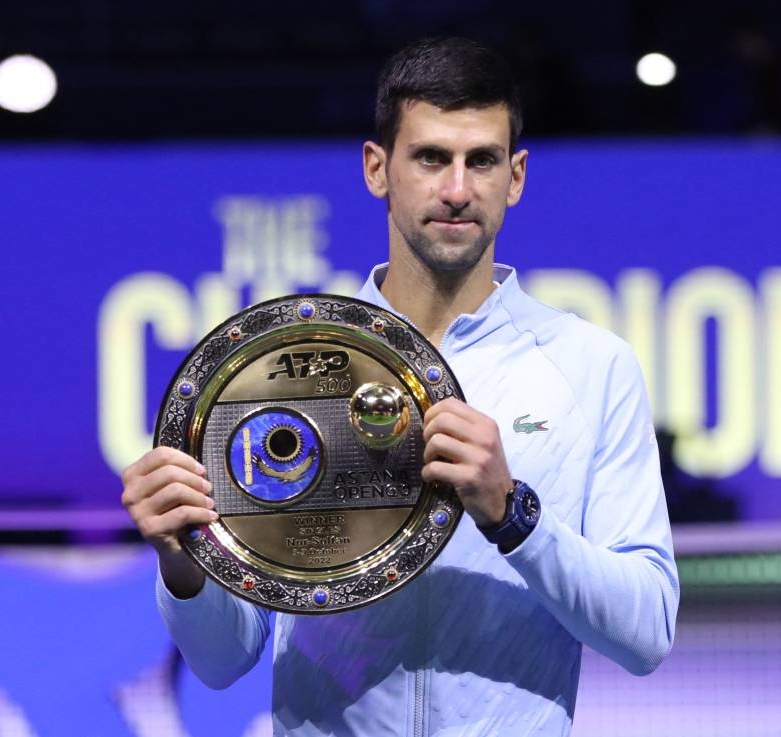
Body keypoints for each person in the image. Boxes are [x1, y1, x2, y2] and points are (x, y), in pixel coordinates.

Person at [121, 36, 679, 736]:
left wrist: (512, 514)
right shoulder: (281, 367)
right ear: (377, 168)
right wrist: (183, 562)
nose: (457, 189)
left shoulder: (591, 365)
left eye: (482, 160)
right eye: (430, 158)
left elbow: (646, 633)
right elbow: (222, 659)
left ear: (516, 177)